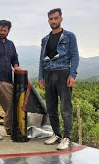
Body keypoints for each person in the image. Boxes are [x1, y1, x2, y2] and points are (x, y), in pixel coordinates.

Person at [39, 8, 79, 150]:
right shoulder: (45, 39)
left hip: (63, 73)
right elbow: (42, 60)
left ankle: (67, 138)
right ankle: (56, 134)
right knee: (51, 108)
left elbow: (74, 56)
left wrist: (72, 75)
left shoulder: (69, 36)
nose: (53, 21)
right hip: (49, 74)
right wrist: (41, 77)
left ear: (61, 19)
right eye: (51, 19)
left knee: (65, 108)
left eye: (56, 18)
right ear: (48, 20)